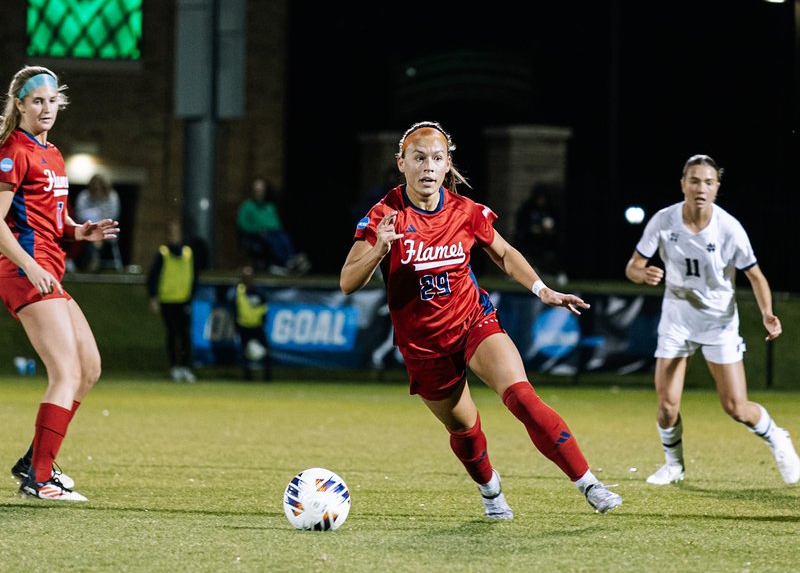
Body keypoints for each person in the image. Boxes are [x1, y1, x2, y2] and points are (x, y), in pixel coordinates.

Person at [339, 119, 623, 518]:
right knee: (465, 431)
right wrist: (379, 249)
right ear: (401, 163)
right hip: (424, 346)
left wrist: (542, 290)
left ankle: (589, 483)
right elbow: (348, 282)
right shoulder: (385, 215)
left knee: (522, 397)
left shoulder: (465, 211)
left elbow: (504, 253)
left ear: (447, 163)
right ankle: (491, 491)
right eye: (418, 158)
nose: (428, 167)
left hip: (474, 321)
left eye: (436, 158)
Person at [624, 153, 800, 486]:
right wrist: (640, 273)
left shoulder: (729, 228)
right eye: (694, 180)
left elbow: (757, 276)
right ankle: (674, 465)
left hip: (718, 322)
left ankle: (778, 437)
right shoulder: (664, 220)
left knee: (736, 407)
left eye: (708, 182)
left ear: (717, 188)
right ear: (683, 184)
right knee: (666, 406)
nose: (700, 188)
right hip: (676, 320)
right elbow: (632, 265)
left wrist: (767, 313)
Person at [0, 65, 120, 501]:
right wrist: (30, 265)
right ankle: (40, 477)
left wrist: (79, 231)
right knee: (65, 371)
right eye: (37, 101)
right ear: (20, 105)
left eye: (52, 100)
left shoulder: (52, 153)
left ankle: (34, 461)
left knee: (89, 368)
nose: (46, 108)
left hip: (49, 269)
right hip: (23, 271)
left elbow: (55, 219)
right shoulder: (13, 150)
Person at [147, 218, 197, 382]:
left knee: (185, 335)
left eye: (177, 232)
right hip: (168, 300)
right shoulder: (163, 253)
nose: (174, 235)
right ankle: (175, 367)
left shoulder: (189, 253)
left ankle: (187, 368)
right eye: (171, 233)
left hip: (184, 300)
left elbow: (194, 277)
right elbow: (153, 277)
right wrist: (153, 297)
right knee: (172, 334)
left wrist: (192, 295)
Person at [236, 177, 310, 275]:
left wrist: (273, 230)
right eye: (257, 190)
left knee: (283, 235)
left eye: (261, 190)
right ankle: (286, 262)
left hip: (272, 232)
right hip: (255, 234)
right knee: (269, 237)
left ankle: (291, 259)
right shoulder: (246, 206)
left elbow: (276, 223)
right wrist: (257, 229)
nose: (259, 193)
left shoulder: (270, 206)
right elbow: (243, 224)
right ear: (253, 191)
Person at [228, 264, 272, 381]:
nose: (247, 279)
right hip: (244, 326)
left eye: (249, 276)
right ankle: (247, 377)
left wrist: (263, 321)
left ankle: (267, 376)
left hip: (257, 326)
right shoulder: (237, 292)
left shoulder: (259, 292)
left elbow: (264, 308)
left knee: (266, 352)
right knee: (244, 354)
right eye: (245, 276)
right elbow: (233, 306)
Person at [73, 172, 122, 271]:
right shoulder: (84, 196)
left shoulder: (112, 197)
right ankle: (92, 261)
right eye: (95, 187)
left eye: (100, 187)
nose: (97, 190)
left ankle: (94, 261)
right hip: (87, 227)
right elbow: (80, 214)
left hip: (106, 227)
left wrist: (97, 219)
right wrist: (96, 218)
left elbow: (113, 215)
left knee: (97, 234)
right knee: (91, 234)